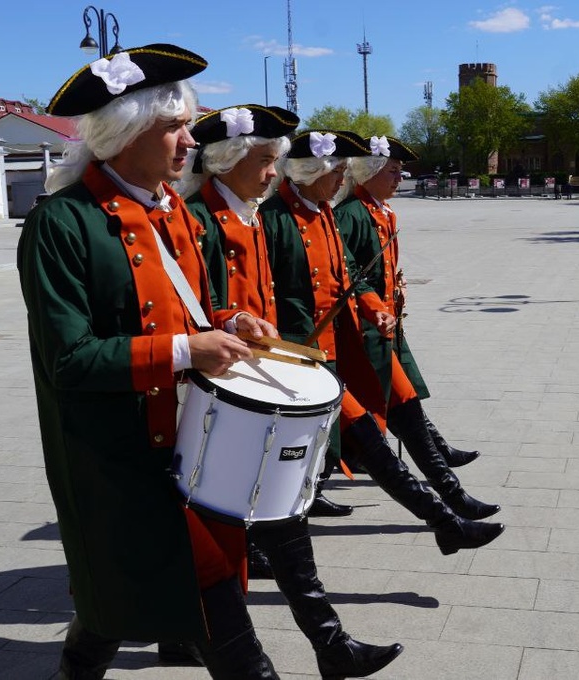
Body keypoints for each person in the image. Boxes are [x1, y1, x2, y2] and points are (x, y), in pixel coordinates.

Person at [19, 45, 283, 678]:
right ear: (127, 132)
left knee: (118, 597)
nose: (190, 141)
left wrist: (228, 323)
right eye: (174, 127)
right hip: (116, 456)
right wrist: (189, 350)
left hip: (188, 439)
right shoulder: (62, 223)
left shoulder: (174, 212)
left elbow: (188, 309)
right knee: (212, 596)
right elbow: (69, 361)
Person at [180, 105, 403, 679]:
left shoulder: (248, 214)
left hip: (257, 380)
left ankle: (331, 645)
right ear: (225, 162)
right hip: (219, 394)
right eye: (263, 160)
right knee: (252, 525)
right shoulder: (201, 218)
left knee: (277, 515)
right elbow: (195, 304)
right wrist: (229, 324)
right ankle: (329, 645)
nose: (271, 173)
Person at [261, 130, 505, 554]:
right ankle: (447, 518)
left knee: (395, 421)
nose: (343, 179)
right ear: (312, 172)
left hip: (348, 345)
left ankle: (449, 512)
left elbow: (349, 274)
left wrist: (374, 306)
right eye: (336, 171)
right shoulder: (275, 219)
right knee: (359, 443)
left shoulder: (323, 213)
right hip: (303, 356)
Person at [333, 136, 489, 515]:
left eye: (400, 172)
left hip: (384, 327)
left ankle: (446, 493)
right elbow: (344, 273)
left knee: (403, 405)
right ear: (369, 173)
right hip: (363, 333)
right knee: (398, 407)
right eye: (392, 171)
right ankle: (448, 499)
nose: (399, 178)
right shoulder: (351, 214)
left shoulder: (380, 210)